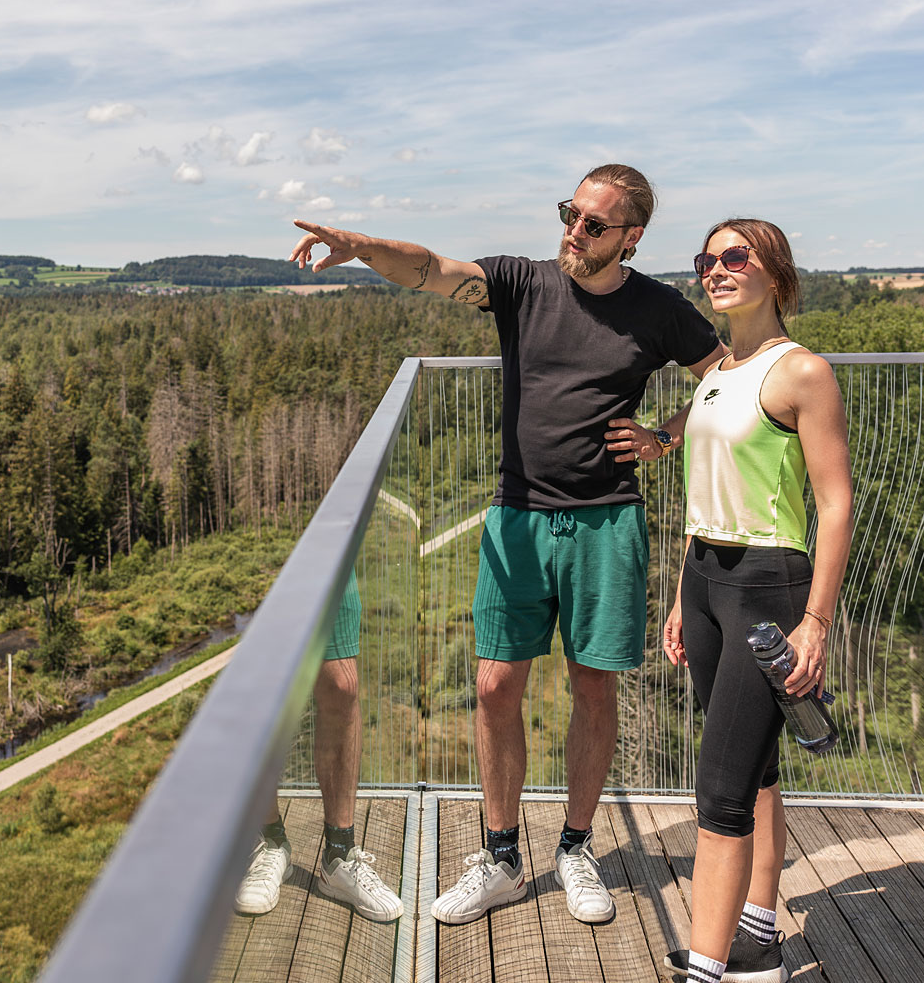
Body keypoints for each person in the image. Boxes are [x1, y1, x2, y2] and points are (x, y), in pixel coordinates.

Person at [290, 165, 726, 925]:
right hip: (517, 516)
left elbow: (725, 373)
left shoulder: (658, 310)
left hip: (606, 520)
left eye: (594, 224)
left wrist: (664, 437)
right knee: (495, 686)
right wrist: (360, 246)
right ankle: (499, 858)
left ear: (631, 237)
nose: (574, 232)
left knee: (594, 687)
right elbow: (431, 270)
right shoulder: (525, 283)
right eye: (570, 214)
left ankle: (577, 848)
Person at [608, 218, 852, 983]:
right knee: (754, 769)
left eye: (734, 257)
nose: (716, 269)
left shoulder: (800, 371)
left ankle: (704, 970)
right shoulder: (719, 370)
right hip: (709, 582)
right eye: (706, 260)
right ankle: (754, 934)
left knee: (718, 799)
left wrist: (815, 621)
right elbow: (702, 472)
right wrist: (684, 595)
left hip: (766, 586)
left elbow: (836, 504)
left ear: (774, 274)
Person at [233, 573, 404, 922]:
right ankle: (270, 842)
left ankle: (339, 855)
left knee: (342, 686)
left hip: (329, 541)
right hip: (269, 555)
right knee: (262, 686)